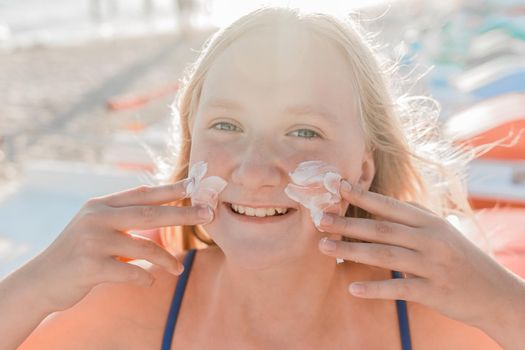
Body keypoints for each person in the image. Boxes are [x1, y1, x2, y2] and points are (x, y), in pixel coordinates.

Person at [2, 6, 524, 350]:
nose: (253, 169)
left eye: (303, 131)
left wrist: (505, 303)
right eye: (226, 125)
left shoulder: (436, 321)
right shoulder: (133, 302)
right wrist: (34, 286)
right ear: (190, 150)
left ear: (363, 169)